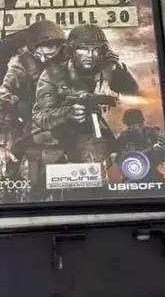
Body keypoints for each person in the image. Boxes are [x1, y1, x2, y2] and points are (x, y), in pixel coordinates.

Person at [31, 25, 139, 186]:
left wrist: (116, 70)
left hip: (95, 132)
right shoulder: (52, 74)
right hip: (56, 137)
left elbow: (134, 93)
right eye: (84, 49)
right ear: (72, 50)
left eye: (95, 49)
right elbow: (40, 115)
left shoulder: (107, 70)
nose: (90, 55)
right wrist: (68, 113)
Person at [0, 20, 66, 193]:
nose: (42, 60)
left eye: (49, 55)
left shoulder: (71, 56)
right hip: (24, 118)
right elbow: (3, 98)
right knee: (2, 175)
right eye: (38, 54)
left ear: (60, 47)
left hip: (61, 121)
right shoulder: (21, 63)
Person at [113, 108, 165, 182]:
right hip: (131, 170)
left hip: (150, 168)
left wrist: (159, 147)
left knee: (160, 183)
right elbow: (116, 151)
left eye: (134, 124)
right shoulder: (123, 136)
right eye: (129, 125)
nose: (132, 128)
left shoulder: (151, 132)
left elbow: (164, 144)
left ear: (141, 123)